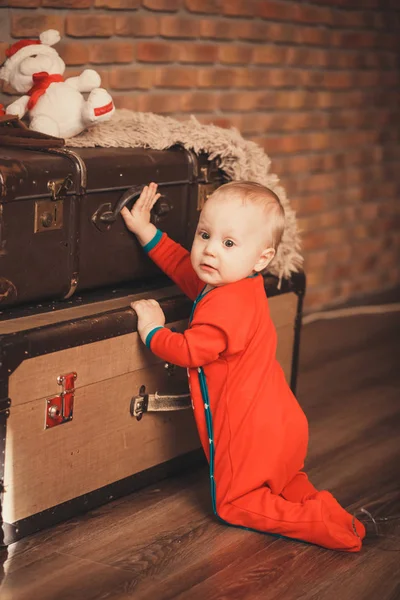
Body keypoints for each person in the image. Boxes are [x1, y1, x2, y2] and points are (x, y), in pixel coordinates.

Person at [121, 181, 366, 552]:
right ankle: (323, 507)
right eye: (204, 234)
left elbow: (188, 350)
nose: (210, 251)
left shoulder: (224, 308)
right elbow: (183, 265)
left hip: (248, 431)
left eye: (229, 243)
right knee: (285, 480)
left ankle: (314, 521)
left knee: (233, 504)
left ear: (262, 258)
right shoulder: (238, 284)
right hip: (282, 421)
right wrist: (147, 231)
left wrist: (152, 330)